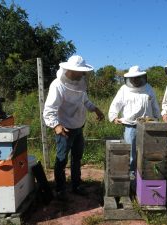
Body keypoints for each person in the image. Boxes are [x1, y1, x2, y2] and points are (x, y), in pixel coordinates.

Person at [43, 55, 104, 199]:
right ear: (70, 70)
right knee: (61, 159)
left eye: (83, 72)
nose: (82, 74)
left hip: (78, 127)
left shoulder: (79, 84)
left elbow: (85, 101)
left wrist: (95, 109)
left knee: (77, 158)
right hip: (64, 129)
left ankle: (76, 185)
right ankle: (60, 189)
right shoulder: (57, 85)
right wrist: (56, 125)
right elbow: (49, 109)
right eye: (79, 72)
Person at [108, 65, 160, 177]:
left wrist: (157, 116)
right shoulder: (123, 89)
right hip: (129, 125)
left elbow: (154, 104)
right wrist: (113, 117)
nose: (134, 80)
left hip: (147, 125)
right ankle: (131, 174)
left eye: (136, 78)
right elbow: (116, 103)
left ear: (141, 77)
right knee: (130, 152)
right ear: (129, 79)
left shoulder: (148, 88)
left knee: (146, 150)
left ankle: (145, 173)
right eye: (132, 78)